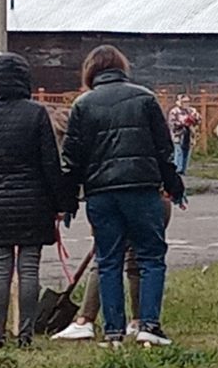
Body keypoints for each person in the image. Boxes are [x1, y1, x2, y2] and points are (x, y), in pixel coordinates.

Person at [62, 45, 182, 347]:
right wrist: (173, 185)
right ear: (122, 68)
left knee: (108, 260)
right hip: (142, 190)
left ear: (91, 71)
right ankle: (148, 325)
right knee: (150, 258)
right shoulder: (145, 98)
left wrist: (68, 200)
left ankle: (113, 332)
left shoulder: (83, 105)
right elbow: (164, 149)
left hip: (101, 194)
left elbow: (72, 158)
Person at [0, 53, 70, 348]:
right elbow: (50, 164)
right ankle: (25, 334)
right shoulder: (36, 114)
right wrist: (58, 203)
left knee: (0, 269)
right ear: (25, 79)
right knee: (29, 269)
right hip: (34, 203)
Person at [51, 200, 173, 341]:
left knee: (107, 260)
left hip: (110, 197)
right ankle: (140, 322)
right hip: (148, 196)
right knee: (136, 260)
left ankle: (87, 320)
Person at [167, 94, 202, 175]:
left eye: (188, 102)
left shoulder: (192, 111)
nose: (187, 103)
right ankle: (177, 169)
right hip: (178, 135)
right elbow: (172, 123)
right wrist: (183, 123)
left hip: (189, 135)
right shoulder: (174, 111)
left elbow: (199, 120)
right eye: (184, 102)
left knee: (187, 152)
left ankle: (184, 169)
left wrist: (194, 120)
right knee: (178, 151)